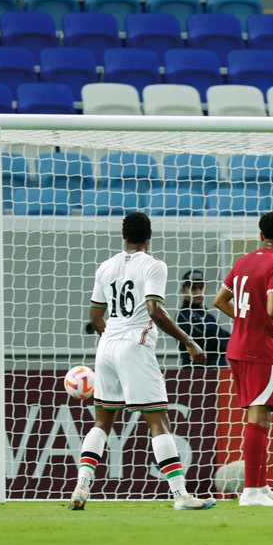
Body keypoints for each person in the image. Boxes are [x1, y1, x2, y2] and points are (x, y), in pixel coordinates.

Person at [70, 212, 215, 511]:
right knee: (158, 421)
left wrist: (113, 340)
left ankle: (81, 487)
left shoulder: (106, 266)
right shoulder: (154, 265)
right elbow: (155, 311)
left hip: (106, 345)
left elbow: (96, 318)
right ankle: (181, 495)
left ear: (124, 236)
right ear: (149, 237)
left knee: (102, 421)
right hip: (134, 346)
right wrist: (188, 341)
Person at [213, 211, 273, 507]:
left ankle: (261, 486)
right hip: (257, 349)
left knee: (262, 416)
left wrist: (243, 319)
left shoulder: (243, 261)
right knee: (257, 417)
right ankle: (250, 491)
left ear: (260, 234)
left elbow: (219, 301)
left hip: (237, 348)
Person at [176, 269, 231, 367]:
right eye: (193, 288)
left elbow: (224, 339)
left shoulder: (209, 316)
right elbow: (212, 341)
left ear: (205, 290)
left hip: (219, 372)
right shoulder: (183, 316)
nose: (198, 292)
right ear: (183, 290)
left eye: (201, 288)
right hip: (196, 374)